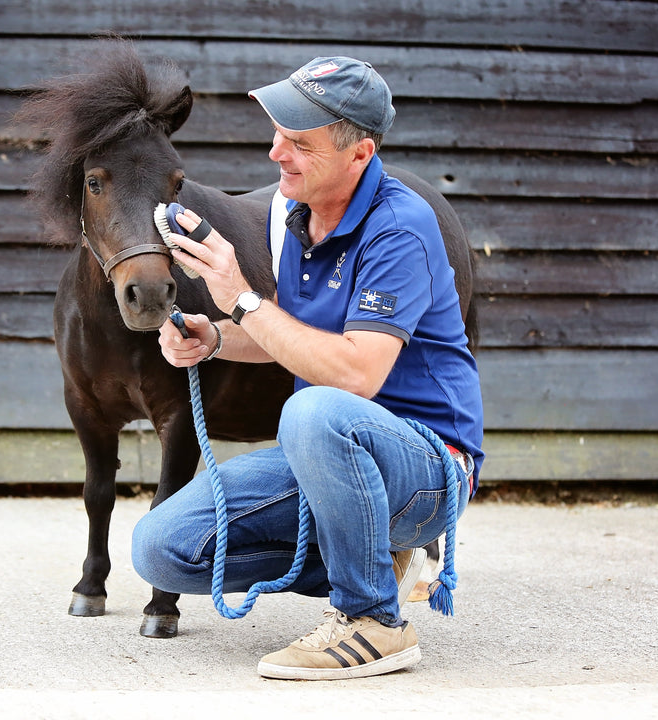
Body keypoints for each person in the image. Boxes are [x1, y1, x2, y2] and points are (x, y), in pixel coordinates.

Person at [131, 56, 484, 681]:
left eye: (299, 143)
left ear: (359, 153)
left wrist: (237, 293)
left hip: (428, 470)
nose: (275, 154)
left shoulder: (398, 227)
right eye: (276, 135)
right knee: (160, 549)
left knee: (315, 406)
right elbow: (289, 339)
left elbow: (353, 376)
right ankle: (378, 558)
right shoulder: (299, 218)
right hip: (328, 461)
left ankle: (373, 620)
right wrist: (214, 337)